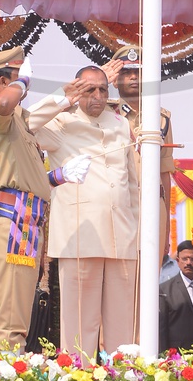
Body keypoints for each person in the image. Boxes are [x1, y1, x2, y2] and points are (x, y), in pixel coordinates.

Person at [0, 49, 89, 355]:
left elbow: (26, 179)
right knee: (7, 316)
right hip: (13, 221)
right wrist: (22, 81)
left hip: (27, 220)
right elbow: (2, 103)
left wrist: (59, 176)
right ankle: (0, 376)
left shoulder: (19, 123)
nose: (26, 87)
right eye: (17, 79)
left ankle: (10, 369)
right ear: (4, 83)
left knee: (19, 312)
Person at [28, 65, 139, 360]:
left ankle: (123, 379)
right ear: (77, 90)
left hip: (122, 235)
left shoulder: (120, 124)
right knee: (79, 325)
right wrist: (62, 97)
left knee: (123, 326)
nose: (98, 96)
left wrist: (137, 231)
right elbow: (26, 122)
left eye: (103, 89)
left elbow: (132, 184)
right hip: (80, 235)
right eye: (90, 89)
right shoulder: (62, 123)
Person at [106, 50, 178, 263]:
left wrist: (166, 226)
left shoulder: (161, 118)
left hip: (152, 203)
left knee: (150, 269)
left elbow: (164, 172)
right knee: (120, 270)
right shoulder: (105, 113)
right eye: (126, 72)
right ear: (115, 80)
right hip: (117, 201)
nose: (133, 77)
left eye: (138, 73)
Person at [159, 239, 193, 352]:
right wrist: (164, 356)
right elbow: (162, 328)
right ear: (177, 261)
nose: (188, 263)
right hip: (179, 355)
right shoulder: (166, 289)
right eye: (184, 259)